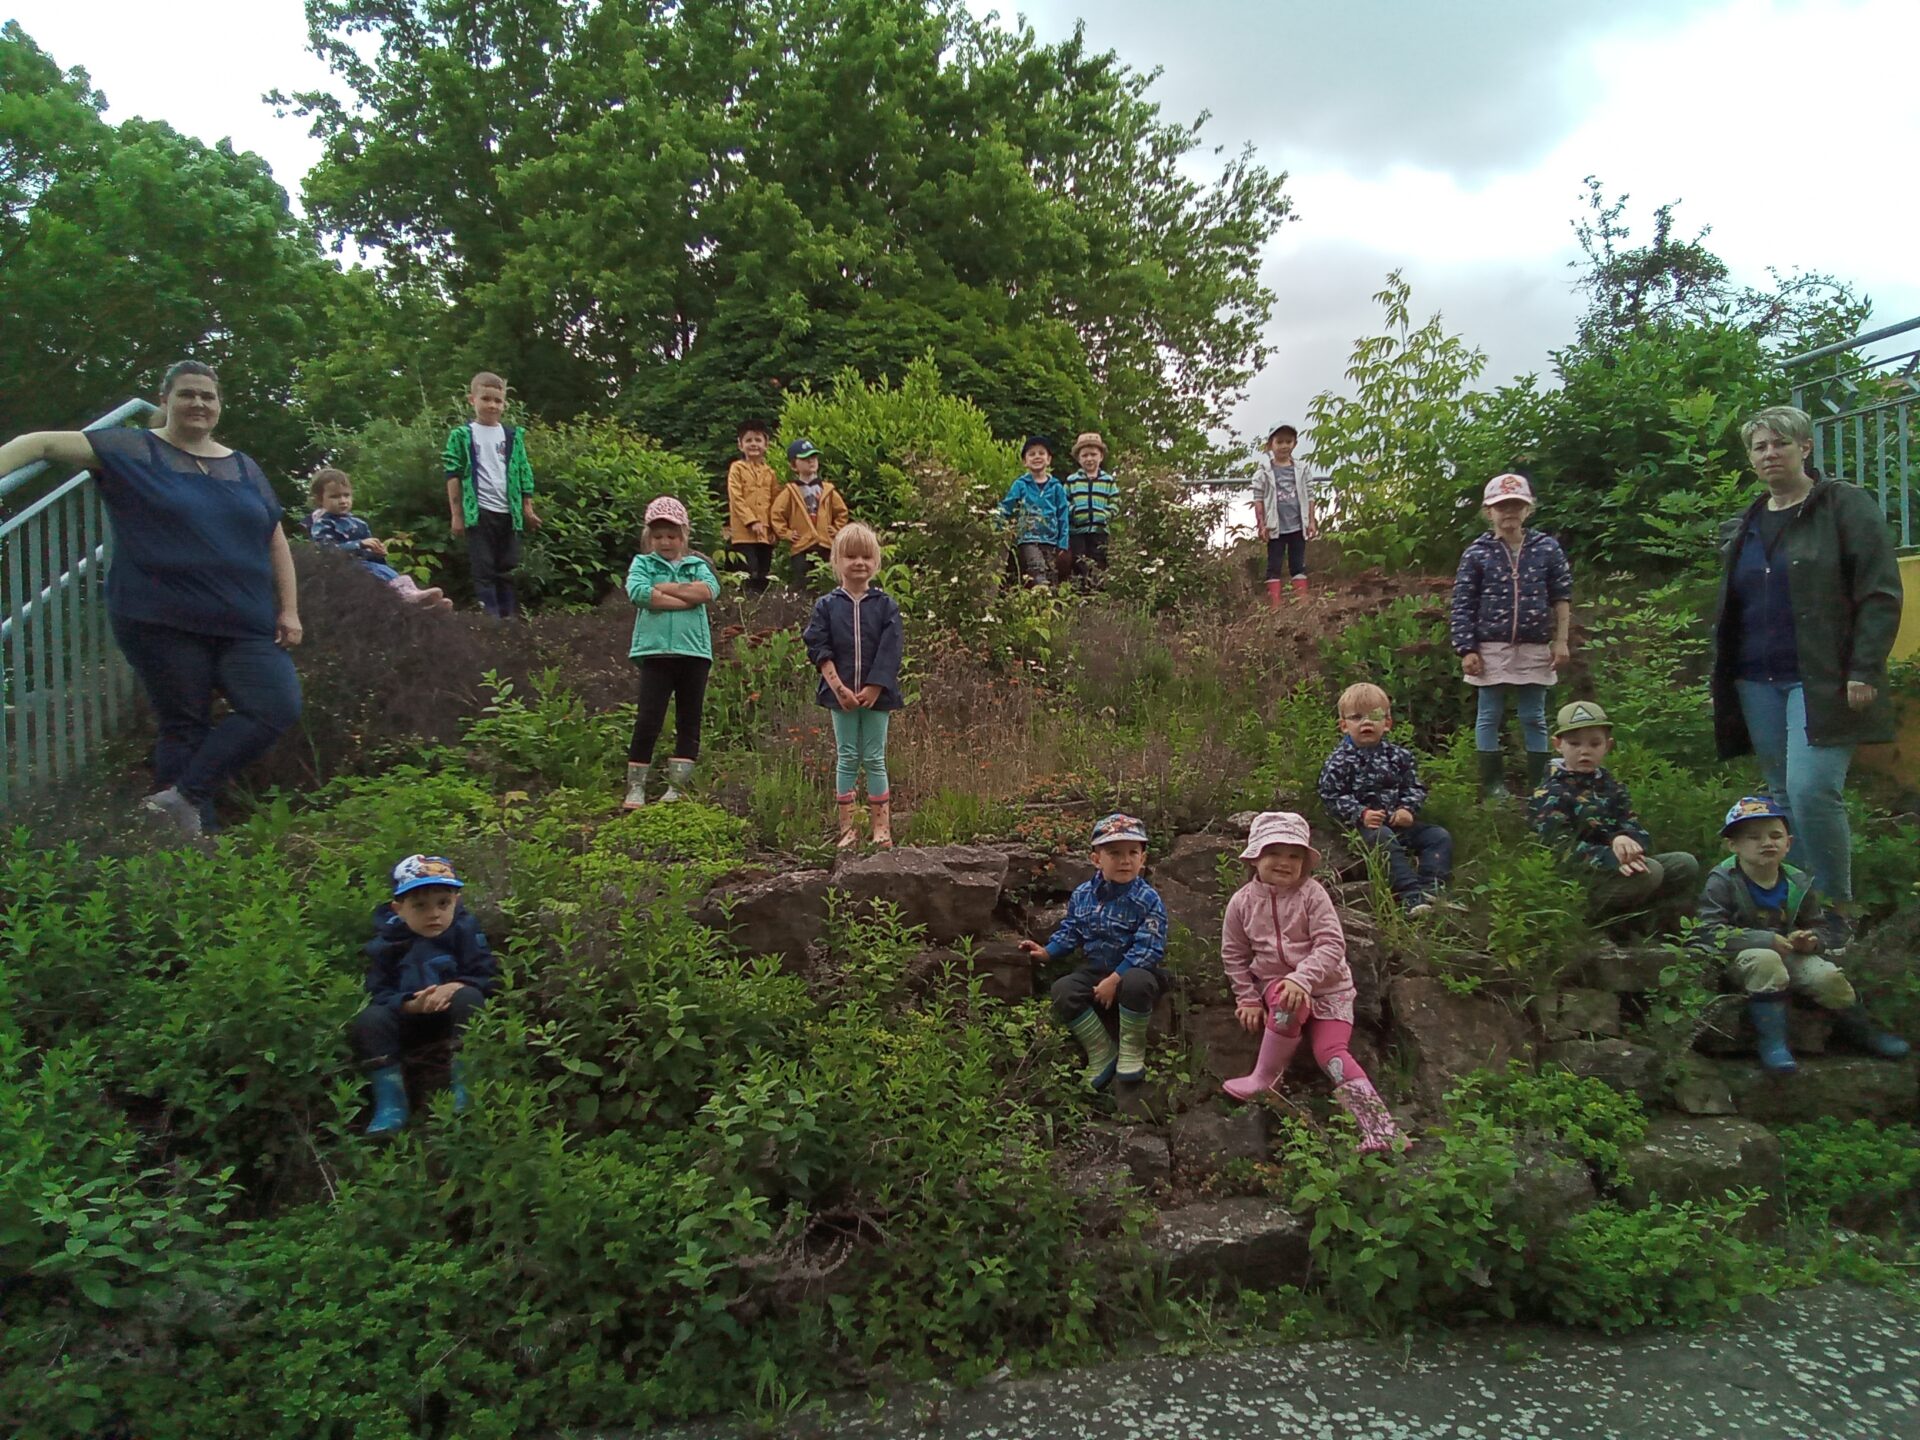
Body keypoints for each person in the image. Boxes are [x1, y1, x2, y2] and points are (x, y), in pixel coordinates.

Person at [0, 360, 302, 839]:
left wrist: (289, 609)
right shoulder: (133, 450)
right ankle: (185, 853)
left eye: (208, 396)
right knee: (185, 726)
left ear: (219, 405)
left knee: (275, 706)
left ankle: (181, 800)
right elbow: (36, 444)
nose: (198, 403)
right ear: (164, 401)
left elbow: (275, 538)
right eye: (187, 394)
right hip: (161, 618)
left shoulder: (243, 467)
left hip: (247, 622)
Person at [1709, 404, 1903, 936]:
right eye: (1760, 447)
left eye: (1781, 444)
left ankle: (1839, 912)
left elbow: (1880, 592)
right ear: (1751, 458)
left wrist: (1864, 666)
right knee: (1781, 796)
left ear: (1806, 448)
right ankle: (1796, 912)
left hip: (1822, 678)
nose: (1770, 454)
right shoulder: (1749, 519)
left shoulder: (1843, 505)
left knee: (1813, 787)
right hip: (1755, 679)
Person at [1220, 811, 1401, 1153]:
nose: (1284, 862)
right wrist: (1246, 998)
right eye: (1274, 853)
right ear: (1255, 856)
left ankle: (1381, 1128)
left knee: (1332, 1053)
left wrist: (1303, 978)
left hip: (1331, 990)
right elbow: (1234, 954)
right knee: (1289, 999)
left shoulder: (1312, 894)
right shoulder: (1242, 902)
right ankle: (1265, 1078)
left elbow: (1332, 944)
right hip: (1278, 987)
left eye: (1294, 855)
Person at [1697, 796, 1908, 1074]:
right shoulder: (1722, 881)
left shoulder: (1797, 881)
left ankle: (1863, 1031)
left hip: (1790, 954)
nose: (1767, 843)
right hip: (1741, 959)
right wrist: (1764, 939)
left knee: (1828, 977)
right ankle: (1773, 1043)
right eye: (1753, 837)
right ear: (1733, 845)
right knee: (1766, 960)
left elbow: (1820, 926)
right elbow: (1709, 933)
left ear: (1789, 844)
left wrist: (1811, 941)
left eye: (1776, 836)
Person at [349, 854, 501, 1137]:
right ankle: (391, 1103)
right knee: (370, 1021)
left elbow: (487, 976)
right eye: (420, 906)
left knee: (469, 998)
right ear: (399, 908)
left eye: (443, 903)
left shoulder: (465, 932)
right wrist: (408, 1004)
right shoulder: (388, 943)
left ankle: (465, 1089)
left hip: (451, 1017)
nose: (434, 914)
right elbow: (378, 991)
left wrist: (454, 986)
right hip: (409, 1021)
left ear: (456, 900)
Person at [1019, 813, 1169, 1091]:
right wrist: (1047, 952)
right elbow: (1072, 930)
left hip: (1135, 970)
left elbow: (1149, 946)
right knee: (1063, 989)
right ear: (1096, 859)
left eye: (1132, 853)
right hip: (1094, 968)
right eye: (1114, 853)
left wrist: (1115, 980)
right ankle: (1101, 1050)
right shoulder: (1082, 895)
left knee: (1137, 984)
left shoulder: (1147, 899)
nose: (1125, 860)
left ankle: (1131, 1049)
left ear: (1142, 859)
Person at [1450, 472, 1573, 800]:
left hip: (1535, 645)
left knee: (1534, 716)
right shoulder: (1476, 553)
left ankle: (1540, 785)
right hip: (1491, 645)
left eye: (1516, 505)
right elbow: (1463, 602)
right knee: (1489, 714)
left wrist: (1561, 640)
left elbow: (1561, 596)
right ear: (1488, 511)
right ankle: (1493, 786)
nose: (1509, 513)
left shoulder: (1547, 548)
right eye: (1501, 506)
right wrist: (1466, 648)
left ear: (1528, 510)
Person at [1528, 701, 1699, 931]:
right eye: (1574, 743)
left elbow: (1635, 826)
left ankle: (1642, 918)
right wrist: (1611, 858)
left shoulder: (1611, 785)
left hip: (1621, 869)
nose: (1584, 751)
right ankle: (1596, 922)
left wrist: (1625, 840)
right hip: (1581, 880)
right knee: (1650, 873)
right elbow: (1558, 850)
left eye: (1594, 743)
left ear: (1607, 746)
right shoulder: (1550, 791)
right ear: (1558, 745)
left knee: (1684, 864)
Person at [802, 523, 904, 849]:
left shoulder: (886, 605)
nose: (859, 562)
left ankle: (882, 829)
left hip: (879, 696)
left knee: (875, 758)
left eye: (866, 556)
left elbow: (892, 649)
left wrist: (875, 687)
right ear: (837, 561)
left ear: (876, 561)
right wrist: (838, 687)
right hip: (839, 696)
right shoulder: (827, 605)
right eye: (850, 556)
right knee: (847, 756)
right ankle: (847, 829)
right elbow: (817, 645)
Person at [1317, 682, 1454, 916]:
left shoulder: (1399, 756)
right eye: (1357, 717)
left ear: (1387, 723)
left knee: (1438, 836)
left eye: (1374, 716)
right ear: (1343, 726)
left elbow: (1415, 786)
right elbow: (1331, 794)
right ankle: (1411, 896)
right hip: (1363, 827)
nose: (1366, 723)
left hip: (1397, 821)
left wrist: (1407, 808)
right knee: (1382, 838)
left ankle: (1431, 887)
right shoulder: (1339, 760)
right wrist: (1361, 813)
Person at [623, 496, 721, 809]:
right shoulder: (642, 564)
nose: (665, 541)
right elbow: (637, 592)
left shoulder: (698, 565)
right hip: (654, 653)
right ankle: (635, 787)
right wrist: (684, 597)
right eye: (659, 536)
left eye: (672, 535)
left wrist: (661, 589)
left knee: (689, 718)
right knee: (648, 718)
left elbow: (708, 591)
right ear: (649, 538)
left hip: (694, 652)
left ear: (684, 535)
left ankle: (677, 787)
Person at [442, 372, 540, 618]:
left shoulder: (512, 436)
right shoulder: (462, 435)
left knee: (508, 568)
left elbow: (524, 472)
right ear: (471, 400)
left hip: (509, 513)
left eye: (498, 401)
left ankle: (510, 620)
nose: (492, 405)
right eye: (486, 399)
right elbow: (452, 475)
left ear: (504, 403)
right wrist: (457, 515)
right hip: (480, 513)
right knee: (483, 569)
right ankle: (491, 620)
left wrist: (527, 508)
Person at [305, 469, 452, 610]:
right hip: (342, 568)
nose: (343, 501)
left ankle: (420, 602)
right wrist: (359, 544)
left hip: (365, 565)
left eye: (346, 495)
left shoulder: (359, 523)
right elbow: (326, 548)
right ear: (319, 499)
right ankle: (409, 597)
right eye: (335, 496)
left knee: (382, 569)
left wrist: (377, 553)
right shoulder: (323, 523)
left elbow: (371, 556)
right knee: (376, 572)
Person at [1250, 424, 1319, 608]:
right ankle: (1275, 606)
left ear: (1295, 444)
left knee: (1298, 565)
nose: (1284, 446)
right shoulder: (1264, 471)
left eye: (1288, 441)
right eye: (1279, 441)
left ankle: (1302, 603)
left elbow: (1310, 495)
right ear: (1270, 445)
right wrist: (1261, 524)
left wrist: (1311, 521)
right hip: (1275, 527)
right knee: (1274, 566)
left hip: (1298, 525)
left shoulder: (1302, 469)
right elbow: (1258, 499)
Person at [768, 438, 849, 591]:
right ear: (794, 465)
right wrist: (786, 533)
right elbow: (776, 514)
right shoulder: (790, 492)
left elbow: (842, 512)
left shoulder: (828, 489)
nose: (811, 462)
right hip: (802, 546)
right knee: (803, 581)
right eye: (805, 459)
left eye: (813, 458)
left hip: (826, 544)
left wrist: (837, 528)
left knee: (828, 580)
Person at [998, 435, 1070, 587]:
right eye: (1031, 454)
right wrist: (996, 523)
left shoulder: (1056, 487)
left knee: (1051, 576)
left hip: (1051, 540)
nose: (1037, 456)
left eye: (1041, 453)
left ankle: (1044, 607)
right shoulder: (1020, 485)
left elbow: (1063, 516)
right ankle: (1042, 598)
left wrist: (1063, 543)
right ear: (1025, 462)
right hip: (1028, 538)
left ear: (1049, 459)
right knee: (1037, 570)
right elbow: (1007, 506)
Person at [725, 418, 780, 595]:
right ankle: (744, 611)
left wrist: (774, 529)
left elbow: (775, 502)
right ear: (740, 445)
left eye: (758, 440)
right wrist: (752, 521)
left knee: (763, 576)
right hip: (743, 534)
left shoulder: (770, 473)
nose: (753, 444)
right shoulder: (737, 468)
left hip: (765, 535)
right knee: (746, 574)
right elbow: (736, 498)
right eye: (748, 440)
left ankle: (761, 614)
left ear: (766, 444)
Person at [1063, 431, 1118, 587]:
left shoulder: (1108, 480)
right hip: (1078, 531)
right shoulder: (1072, 480)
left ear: (1100, 457)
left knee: (1099, 561)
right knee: (1079, 561)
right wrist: (1073, 512)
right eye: (1085, 455)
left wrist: (1106, 514)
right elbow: (1063, 501)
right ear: (1078, 458)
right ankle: (1080, 592)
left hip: (1100, 530)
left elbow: (1115, 501)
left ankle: (1097, 592)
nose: (1089, 459)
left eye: (1093, 455)